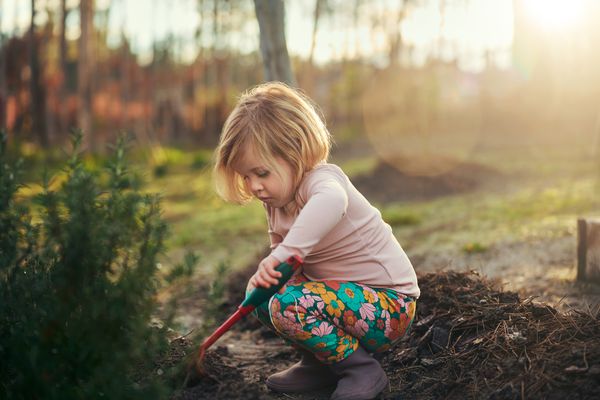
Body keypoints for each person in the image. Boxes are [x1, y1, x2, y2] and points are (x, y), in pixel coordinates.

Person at [213, 82, 420, 400]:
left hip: (387, 306)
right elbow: (286, 267)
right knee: (265, 298)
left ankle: (361, 369)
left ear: (295, 152)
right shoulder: (275, 204)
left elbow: (331, 203)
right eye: (245, 177)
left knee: (288, 303)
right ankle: (319, 364)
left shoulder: (321, 181)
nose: (254, 186)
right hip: (343, 304)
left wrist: (289, 251)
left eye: (261, 173)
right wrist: (270, 276)